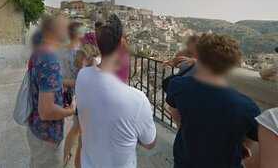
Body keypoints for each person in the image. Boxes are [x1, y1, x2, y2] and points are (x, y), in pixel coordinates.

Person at [166, 34, 261, 168]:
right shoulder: (246, 107)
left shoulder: (178, 85)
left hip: (185, 159)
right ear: (232, 65)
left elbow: (177, 116)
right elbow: (257, 140)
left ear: (198, 57)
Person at [76, 17, 157, 168]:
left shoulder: (82, 76)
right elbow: (150, 143)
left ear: (98, 44)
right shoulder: (137, 100)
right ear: (121, 44)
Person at [26, 14, 76, 168]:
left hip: (35, 129)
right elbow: (47, 111)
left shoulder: (40, 52)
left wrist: (68, 83)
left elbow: (43, 82)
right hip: (47, 136)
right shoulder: (50, 60)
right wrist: (71, 110)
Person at [63, 44, 100, 168]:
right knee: (82, 142)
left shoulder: (85, 72)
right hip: (86, 109)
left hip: (83, 107)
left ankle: (65, 157)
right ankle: (68, 159)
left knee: (78, 136)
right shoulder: (88, 72)